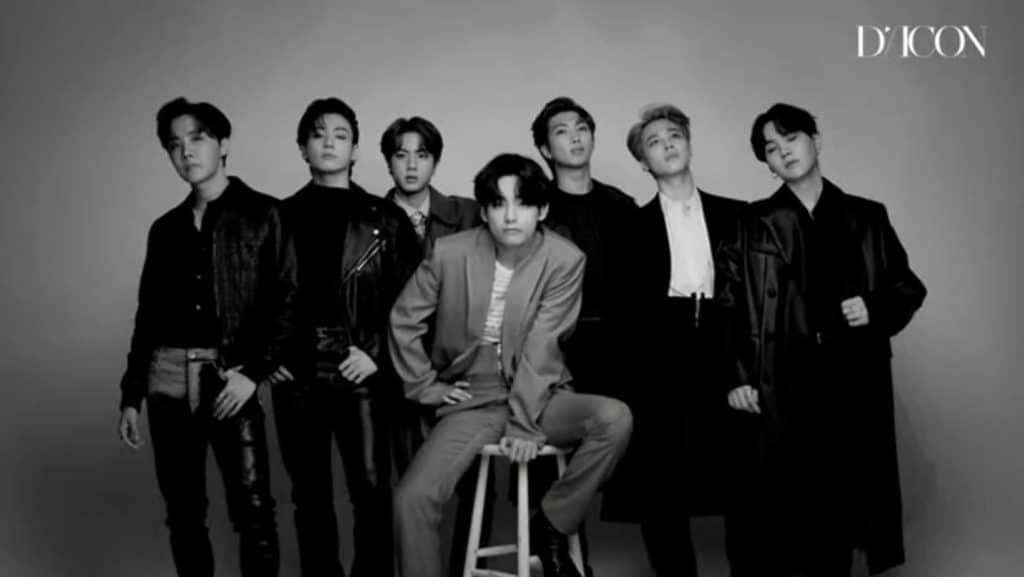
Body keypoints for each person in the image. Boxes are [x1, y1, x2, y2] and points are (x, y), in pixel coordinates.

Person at [389, 153, 633, 577]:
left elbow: (543, 344)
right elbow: (404, 320)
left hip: (541, 396)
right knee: (411, 499)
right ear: (484, 212)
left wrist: (524, 422)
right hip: (474, 396)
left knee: (614, 419)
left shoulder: (564, 259)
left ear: (543, 210)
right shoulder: (450, 252)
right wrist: (424, 385)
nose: (510, 215)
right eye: (498, 204)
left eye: (523, 203)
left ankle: (552, 521)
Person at [729, 102, 927, 576]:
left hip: (851, 376)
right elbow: (729, 304)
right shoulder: (752, 222)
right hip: (782, 377)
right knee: (784, 507)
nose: (784, 152)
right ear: (767, 164)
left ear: (816, 141)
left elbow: (907, 287)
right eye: (771, 149)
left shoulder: (867, 215)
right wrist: (737, 377)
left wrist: (874, 307)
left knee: (844, 504)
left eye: (791, 138)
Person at [117, 96, 296, 577]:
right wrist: (132, 394)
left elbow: (287, 301)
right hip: (166, 378)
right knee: (183, 515)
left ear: (223, 144)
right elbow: (147, 317)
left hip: (228, 376)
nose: (187, 152)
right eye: (175, 145)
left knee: (254, 512)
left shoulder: (266, 214)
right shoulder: (165, 229)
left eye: (197, 139)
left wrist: (253, 373)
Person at [272, 97, 421, 577]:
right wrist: (268, 357)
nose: (329, 143)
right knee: (308, 495)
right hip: (297, 370)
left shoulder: (384, 217)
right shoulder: (278, 216)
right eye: (318, 135)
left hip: (360, 366)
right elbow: (258, 296)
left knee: (371, 491)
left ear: (355, 149)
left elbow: (415, 300)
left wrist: (375, 353)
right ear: (302, 148)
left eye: (340, 135)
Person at [612, 103, 750, 576]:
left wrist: (744, 367)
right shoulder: (631, 226)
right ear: (643, 162)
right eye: (654, 142)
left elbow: (754, 299)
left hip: (723, 340)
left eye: (674, 136)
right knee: (661, 482)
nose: (667, 145)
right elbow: (626, 311)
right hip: (661, 349)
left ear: (689, 144)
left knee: (742, 476)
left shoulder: (738, 215)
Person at [379, 114, 486, 577]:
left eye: (421, 155)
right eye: (400, 155)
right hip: (398, 372)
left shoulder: (467, 213)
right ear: (388, 162)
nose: (411, 165)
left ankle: (464, 570)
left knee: (472, 490)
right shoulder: (372, 219)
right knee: (411, 488)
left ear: (435, 161)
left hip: (462, 371)